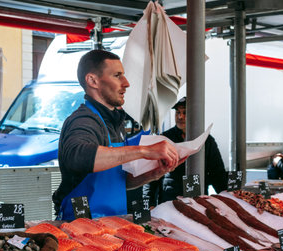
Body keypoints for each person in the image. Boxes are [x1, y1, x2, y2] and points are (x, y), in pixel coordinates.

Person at [53, 50, 183, 220]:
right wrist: (145, 151)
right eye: (117, 75)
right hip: (81, 226)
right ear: (93, 80)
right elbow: (78, 156)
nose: (126, 83)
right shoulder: (83, 120)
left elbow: (116, 181)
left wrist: (153, 174)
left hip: (113, 221)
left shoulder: (115, 123)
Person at [142, 97, 227, 206]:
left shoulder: (207, 140)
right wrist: (149, 204)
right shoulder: (165, 139)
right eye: (177, 112)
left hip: (198, 203)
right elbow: (151, 175)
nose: (180, 116)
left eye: (185, 113)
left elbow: (217, 173)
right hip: (169, 202)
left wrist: (227, 198)